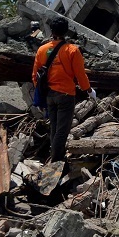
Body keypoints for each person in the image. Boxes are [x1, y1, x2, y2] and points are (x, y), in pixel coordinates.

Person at [31, 17, 95, 162]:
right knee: (62, 129)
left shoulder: (42, 50)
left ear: (51, 31)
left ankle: (54, 155)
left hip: (49, 95)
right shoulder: (72, 50)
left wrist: (41, 93)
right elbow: (80, 74)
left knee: (54, 127)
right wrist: (88, 90)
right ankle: (57, 159)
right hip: (66, 95)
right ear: (66, 31)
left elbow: (35, 76)